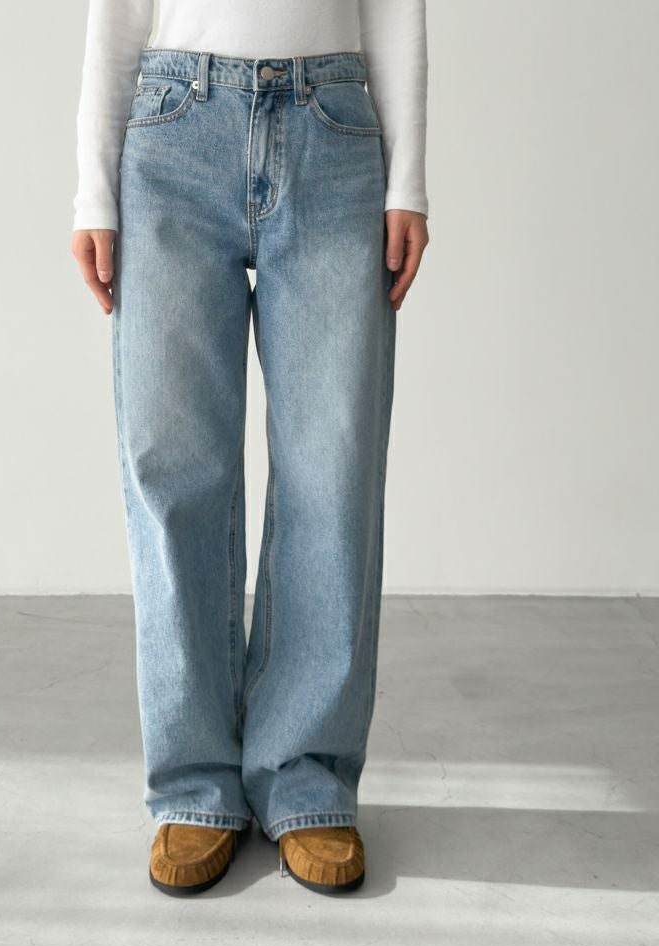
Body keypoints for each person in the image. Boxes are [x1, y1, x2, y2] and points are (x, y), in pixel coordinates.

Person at [71, 0, 429, 897]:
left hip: (334, 131)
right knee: (172, 465)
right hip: (174, 131)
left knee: (333, 468)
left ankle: (307, 776)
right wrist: (92, 189)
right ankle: (194, 782)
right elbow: (117, 12)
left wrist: (408, 182)